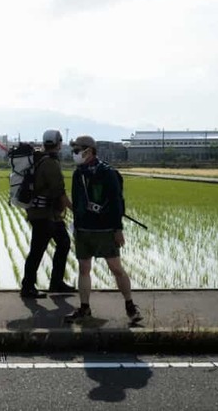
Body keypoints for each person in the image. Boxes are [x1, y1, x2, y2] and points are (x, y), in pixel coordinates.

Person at [64, 135, 142, 325]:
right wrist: (77, 225)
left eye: (77, 150)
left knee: (116, 268)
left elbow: (117, 202)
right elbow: (77, 202)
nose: (75, 154)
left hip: (105, 229)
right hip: (84, 229)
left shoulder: (108, 173)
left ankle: (130, 306)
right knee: (84, 268)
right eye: (74, 150)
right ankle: (84, 308)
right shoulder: (78, 174)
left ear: (89, 150)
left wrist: (118, 229)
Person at [20, 129, 76, 299]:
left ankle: (56, 282)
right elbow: (60, 192)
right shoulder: (50, 163)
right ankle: (28, 286)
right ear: (59, 143)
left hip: (46, 213)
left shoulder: (40, 159)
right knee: (38, 250)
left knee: (63, 243)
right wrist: (76, 210)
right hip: (43, 215)